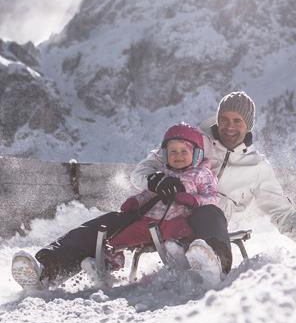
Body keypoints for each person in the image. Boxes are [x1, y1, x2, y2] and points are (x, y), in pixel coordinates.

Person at [131, 91, 296, 281]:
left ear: (248, 125)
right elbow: (142, 171)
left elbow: (281, 212)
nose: (229, 126)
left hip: (209, 226)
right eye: (224, 119)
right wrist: (154, 180)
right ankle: (106, 257)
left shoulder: (257, 167)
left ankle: (216, 263)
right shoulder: (195, 141)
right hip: (168, 214)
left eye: (237, 120)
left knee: (209, 212)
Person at [11, 123, 221, 290]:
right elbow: (141, 177)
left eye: (183, 152)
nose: (178, 156)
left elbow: (212, 197)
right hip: (150, 218)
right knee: (109, 232)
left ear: (196, 155)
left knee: (184, 235)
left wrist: (194, 201)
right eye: (172, 152)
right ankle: (50, 270)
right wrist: (147, 188)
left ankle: (205, 265)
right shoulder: (164, 166)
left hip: (198, 221)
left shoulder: (204, 173)